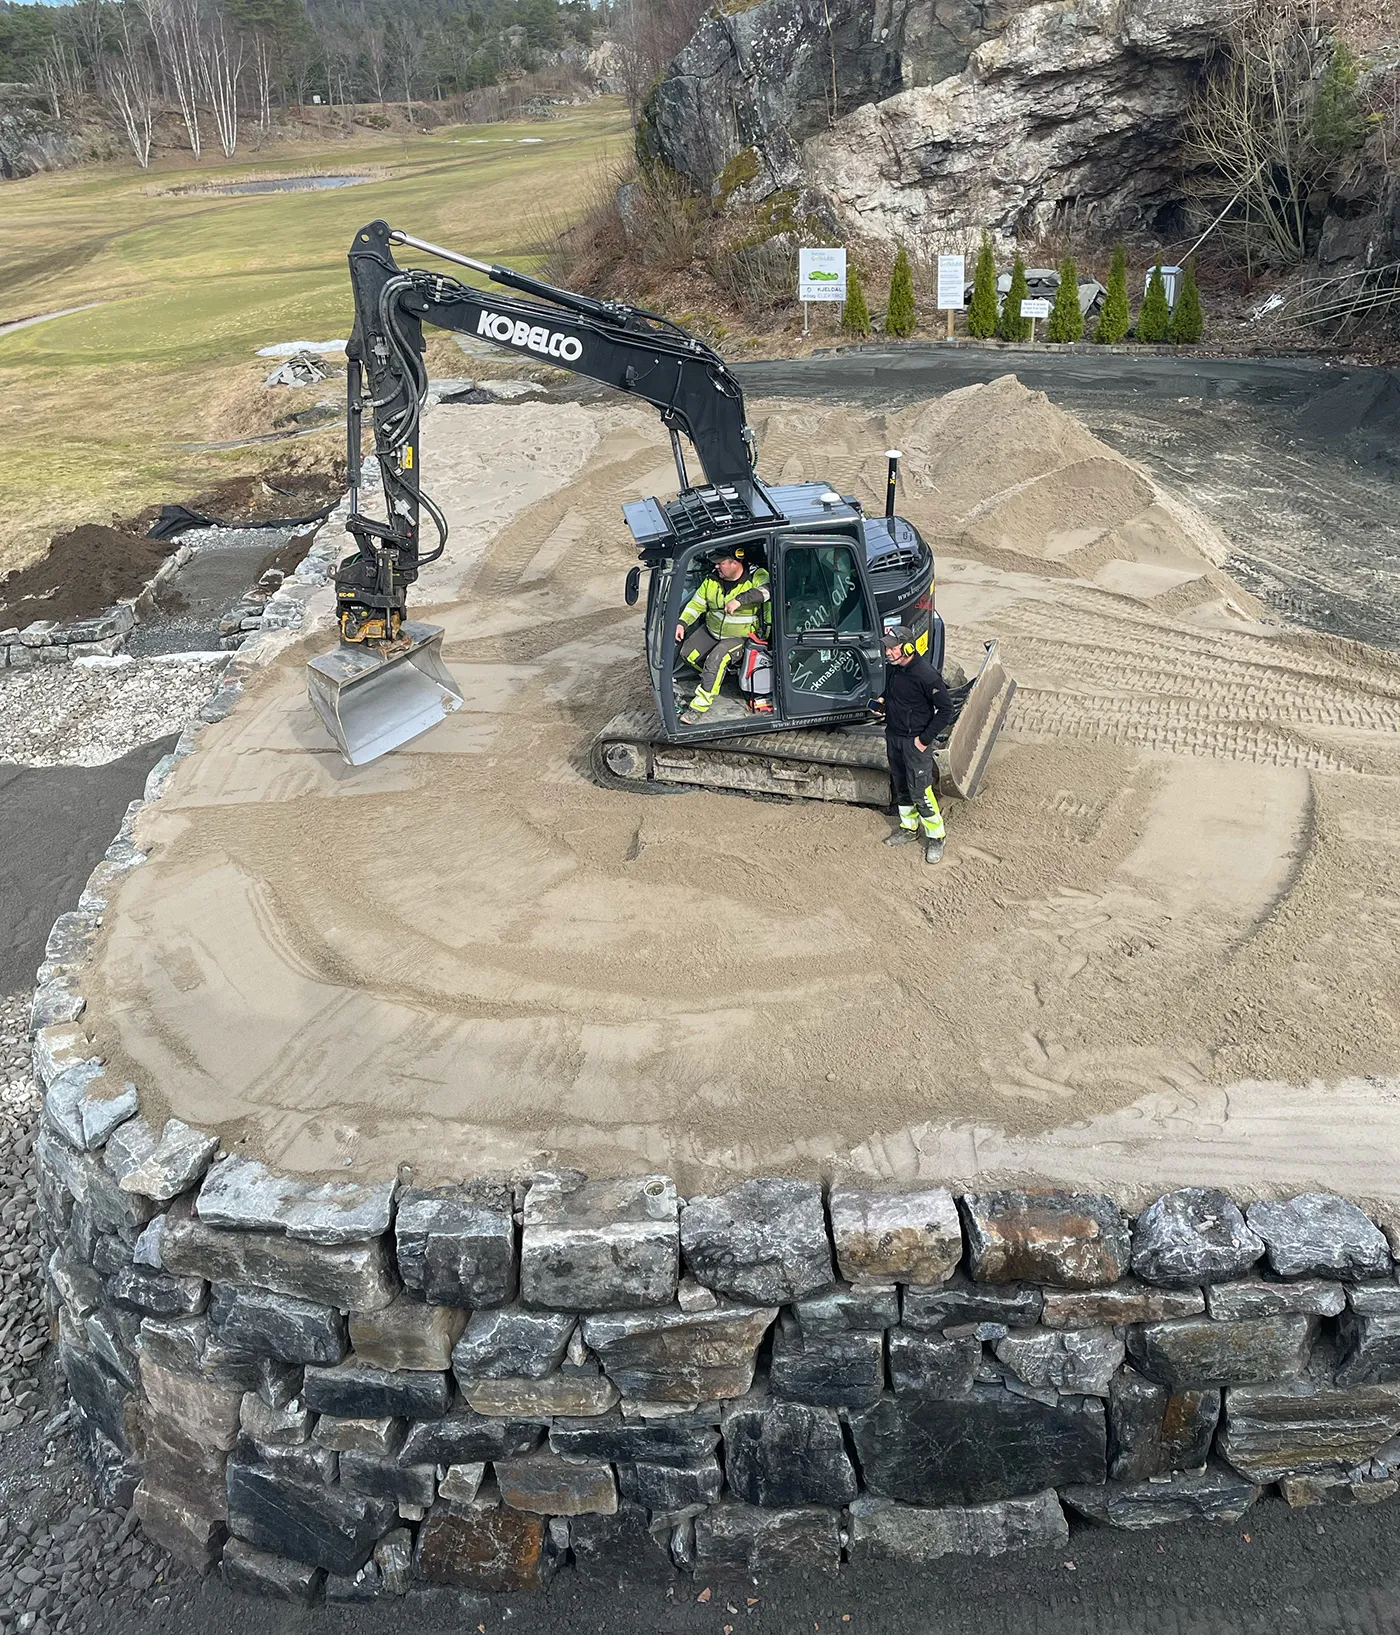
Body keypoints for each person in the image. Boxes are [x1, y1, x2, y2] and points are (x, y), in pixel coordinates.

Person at [876, 625, 955, 864]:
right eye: (887, 647)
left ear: (909, 648)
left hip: (915, 742)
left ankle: (936, 836)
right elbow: (893, 692)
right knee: (901, 786)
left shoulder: (926, 675)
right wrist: (882, 700)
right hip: (894, 737)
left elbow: (946, 710)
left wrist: (923, 740)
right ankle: (909, 828)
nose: (888, 652)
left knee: (921, 790)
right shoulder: (895, 668)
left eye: (893, 648)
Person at [674, 549, 771, 724]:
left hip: (742, 636)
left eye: (721, 563)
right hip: (712, 631)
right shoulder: (712, 579)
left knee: (716, 659)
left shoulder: (756, 575)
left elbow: (769, 590)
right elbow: (696, 604)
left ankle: (698, 707)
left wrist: (740, 599)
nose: (716, 566)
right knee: (688, 654)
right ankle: (714, 679)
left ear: (735, 562)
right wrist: (682, 623)